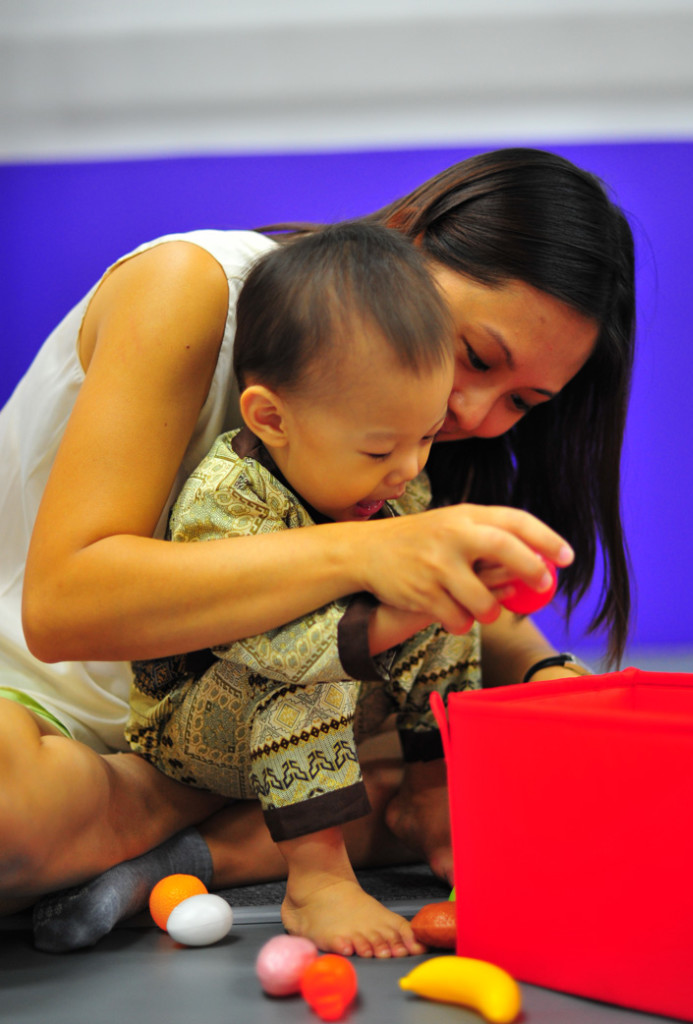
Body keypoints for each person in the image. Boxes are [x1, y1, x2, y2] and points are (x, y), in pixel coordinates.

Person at [0, 148, 635, 953]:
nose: (467, 410)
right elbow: (63, 608)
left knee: (541, 775)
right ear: (406, 239)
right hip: (49, 709)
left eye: (523, 402)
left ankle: (201, 840)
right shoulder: (193, 289)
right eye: (476, 355)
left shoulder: (411, 432)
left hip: (260, 706)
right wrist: (373, 552)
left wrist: (547, 677)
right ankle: (197, 815)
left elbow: (445, 604)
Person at [125, 219, 486, 957]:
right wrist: (396, 616)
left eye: (425, 437)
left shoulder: (394, 488)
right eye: (382, 447)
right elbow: (262, 642)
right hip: (200, 725)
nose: (409, 469)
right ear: (270, 418)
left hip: (330, 706)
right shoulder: (228, 498)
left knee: (452, 630)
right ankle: (316, 881)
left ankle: (434, 806)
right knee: (303, 677)